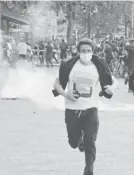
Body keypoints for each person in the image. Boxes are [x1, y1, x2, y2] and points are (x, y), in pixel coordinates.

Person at [52, 38, 114, 175]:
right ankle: (79, 143)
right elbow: (56, 84)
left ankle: (89, 169)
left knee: (90, 141)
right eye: (83, 51)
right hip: (72, 110)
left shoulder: (99, 66)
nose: (86, 53)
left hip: (91, 109)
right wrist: (66, 94)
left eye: (88, 51)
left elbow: (112, 82)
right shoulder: (69, 65)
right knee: (73, 142)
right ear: (78, 52)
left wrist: (110, 89)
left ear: (93, 51)